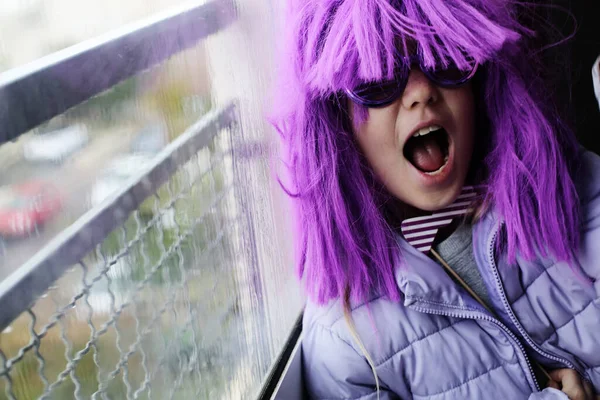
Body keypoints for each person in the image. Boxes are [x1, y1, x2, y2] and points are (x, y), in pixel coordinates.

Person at [271, 0, 600, 399]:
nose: (422, 92)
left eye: (444, 57)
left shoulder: (576, 192)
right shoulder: (346, 341)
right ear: (335, 119)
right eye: (379, 80)